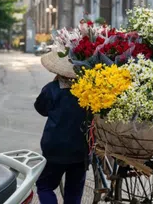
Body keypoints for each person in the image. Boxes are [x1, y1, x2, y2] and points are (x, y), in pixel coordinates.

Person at [35, 51, 91, 204]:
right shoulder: (89, 91)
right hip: (81, 150)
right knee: (74, 192)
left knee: (44, 185)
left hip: (54, 149)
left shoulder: (51, 89)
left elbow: (41, 109)